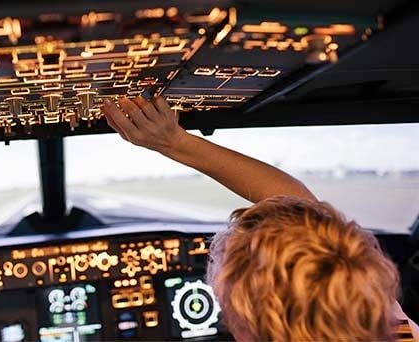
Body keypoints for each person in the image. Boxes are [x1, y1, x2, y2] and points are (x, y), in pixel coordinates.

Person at [101, 95, 419, 341]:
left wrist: (176, 142)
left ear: (247, 327)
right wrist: (174, 141)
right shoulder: (386, 324)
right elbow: (301, 207)